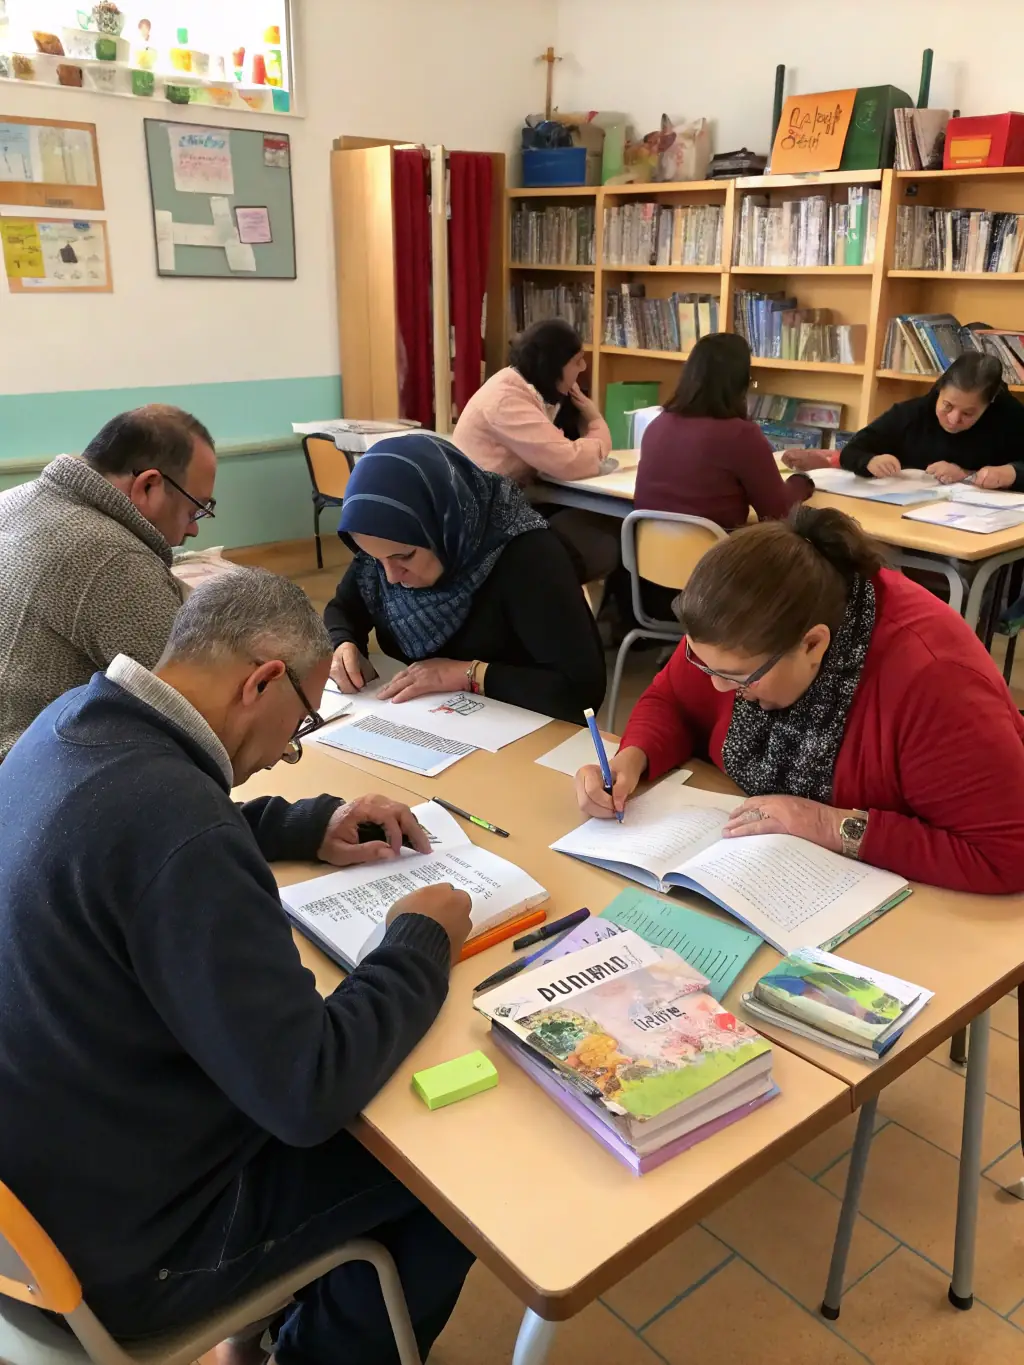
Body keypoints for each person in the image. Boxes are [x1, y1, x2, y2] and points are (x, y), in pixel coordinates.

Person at [0, 567, 475, 1365]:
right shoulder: (177, 828)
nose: (287, 755)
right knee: (449, 1181)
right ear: (262, 679)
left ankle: (253, 1335)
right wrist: (417, 941)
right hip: (130, 1259)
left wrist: (306, 824)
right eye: (299, 726)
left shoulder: (69, 723)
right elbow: (307, 1089)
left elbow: (140, 832)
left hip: (40, 1203)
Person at [575, 505, 1024, 895]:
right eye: (704, 664)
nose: (716, 688)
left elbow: (1008, 851)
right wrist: (632, 759)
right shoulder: (735, 627)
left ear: (813, 645)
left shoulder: (933, 680)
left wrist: (827, 824)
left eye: (736, 677)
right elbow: (673, 698)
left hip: (907, 910)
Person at [326, 434, 606, 723]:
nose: (391, 577)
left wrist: (465, 674)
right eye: (375, 559)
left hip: (517, 730)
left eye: (405, 557)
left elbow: (581, 692)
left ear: (442, 525)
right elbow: (343, 609)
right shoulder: (387, 543)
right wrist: (343, 645)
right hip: (431, 722)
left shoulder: (526, 554)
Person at [0, 404, 218, 759]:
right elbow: (195, 714)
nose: (193, 528)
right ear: (149, 485)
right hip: (31, 789)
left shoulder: (12, 500)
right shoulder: (115, 560)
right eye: (195, 510)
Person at [634, 333, 811, 616]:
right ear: (739, 384)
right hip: (717, 590)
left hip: (652, 584)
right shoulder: (740, 434)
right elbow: (778, 514)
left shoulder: (657, 424)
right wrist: (802, 485)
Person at [452, 318, 618, 583]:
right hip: (485, 530)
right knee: (610, 539)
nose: (583, 367)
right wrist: (597, 423)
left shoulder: (524, 388)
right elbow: (570, 461)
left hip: (503, 510)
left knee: (603, 526)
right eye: (577, 361)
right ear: (554, 366)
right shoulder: (507, 399)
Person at [840, 352, 1024, 488]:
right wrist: (870, 461)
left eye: (968, 413)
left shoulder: (1012, 419)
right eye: (947, 406)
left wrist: (1012, 473)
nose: (953, 419)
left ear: (989, 404)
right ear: (939, 390)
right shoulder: (911, 414)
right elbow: (851, 451)